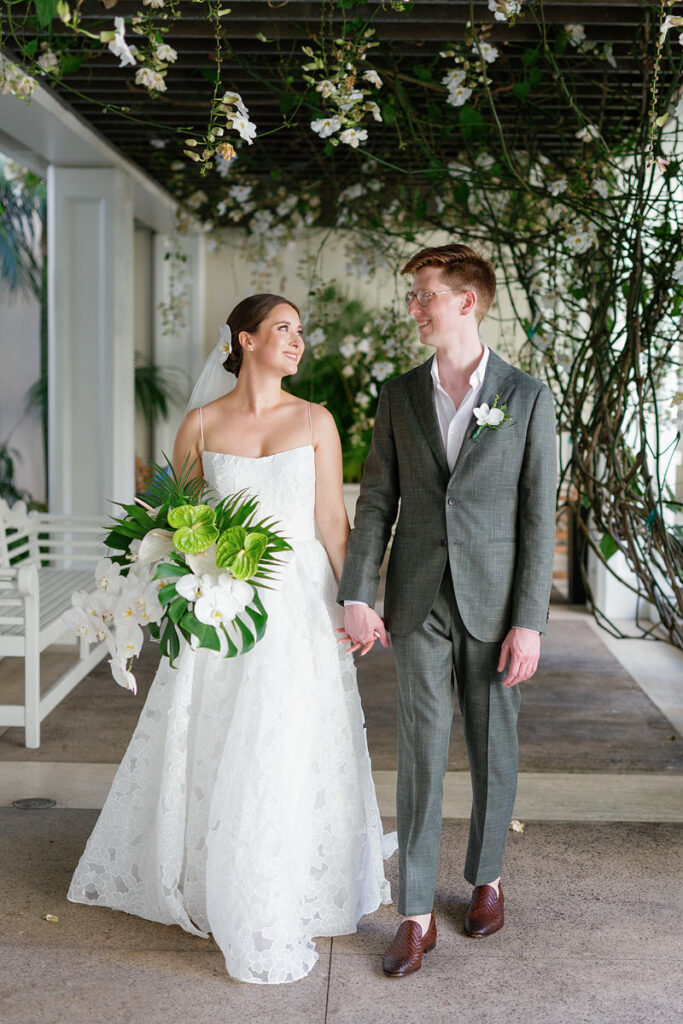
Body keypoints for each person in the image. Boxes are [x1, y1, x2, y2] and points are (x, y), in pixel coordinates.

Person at [68, 293, 396, 985]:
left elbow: (332, 520)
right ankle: (206, 869)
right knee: (214, 729)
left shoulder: (315, 419)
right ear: (243, 339)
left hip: (298, 604)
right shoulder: (200, 422)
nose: (297, 341)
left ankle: (286, 871)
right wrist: (171, 585)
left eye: (300, 332)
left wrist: (359, 600)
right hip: (221, 603)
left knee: (288, 730)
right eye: (282, 329)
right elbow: (179, 518)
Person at [337, 244, 557, 977]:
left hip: (497, 608)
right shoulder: (399, 395)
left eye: (424, 294)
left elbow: (536, 516)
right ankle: (415, 913)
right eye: (414, 296)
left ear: (466, 301)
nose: (414, 308)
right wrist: (357, 593)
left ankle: (486, 878)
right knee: (421, 752)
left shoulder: (526, 396)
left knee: (494, 746)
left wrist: (530, 620)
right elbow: (375, 501)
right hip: (417, 599)